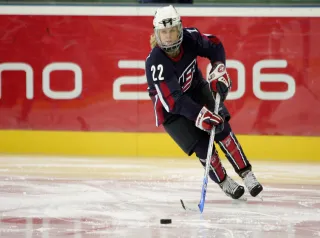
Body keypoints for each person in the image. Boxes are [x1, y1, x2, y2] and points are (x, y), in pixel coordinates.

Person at [145, 5, 263, 199]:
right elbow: (173, 101)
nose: (168, 36)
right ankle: (224, 182)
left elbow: (215, 45)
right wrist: (200, 115)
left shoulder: (190, 38)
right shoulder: (155, 62)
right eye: (163, 32)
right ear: (156, 33)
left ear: (180, 28)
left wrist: (218, 68)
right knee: (202, 146)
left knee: (222, 129)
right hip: (172, 113)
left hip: (196, 89)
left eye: (172, 30)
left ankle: (247, 173)